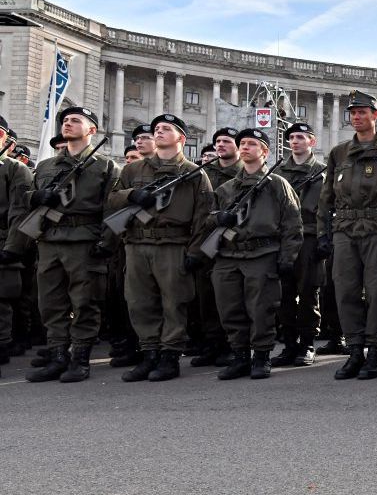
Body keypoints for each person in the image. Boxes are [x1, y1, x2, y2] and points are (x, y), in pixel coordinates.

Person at [108, 113, 213, 382]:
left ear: (181, 137)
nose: (158, 132)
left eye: (166, 129)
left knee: (173, 303)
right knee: (139, 302)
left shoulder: (194, 173)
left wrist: (195, 252)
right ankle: (149, 353)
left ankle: (169, 356)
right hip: (137, 243)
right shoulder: (133, 170)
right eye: (156, 129)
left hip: (173, 244)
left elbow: (203, 217)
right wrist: (132, 194)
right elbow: (112, 200)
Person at [317, 90, 377, 380]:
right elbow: (326, 198)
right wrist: (323, 233)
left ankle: (373, 353)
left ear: (375, 115)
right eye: (353, 113)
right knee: (345, 292)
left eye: (362, 112)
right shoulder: (338, 153)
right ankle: (355, 350)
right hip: (345, 231)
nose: (356, 117)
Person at [21, 107, 118, 383]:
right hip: (50, 239)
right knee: (50, 302)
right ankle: (58, 355)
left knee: (85, 301)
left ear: (91, 130)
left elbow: (110, 210)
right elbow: (24, 200)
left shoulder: (105, 167)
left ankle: (80, 359)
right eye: (65, 120)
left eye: (76, 121)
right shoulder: (46, 166)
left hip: (84, 240)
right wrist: (38, 196)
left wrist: (106, 242)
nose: (68, 124)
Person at [206, 128, 303, 379]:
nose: (245, 147)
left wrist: (287, 258)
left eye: (252, 144)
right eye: (243, 144)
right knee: (230, 309)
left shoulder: (278, 185)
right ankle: (239, 357)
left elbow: (292, 224)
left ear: (265, 151)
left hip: (262, 253)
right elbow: (207, 217)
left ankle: (261, 356)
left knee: (261, 309)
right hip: (228, 256)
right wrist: (219, 217)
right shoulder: (227, 188)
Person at [271, 122, 327, 367]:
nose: (295, 141)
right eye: (292, 137)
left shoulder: (323, 171)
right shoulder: (277, 171)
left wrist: (326, 238)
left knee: (308, 292)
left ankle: (307, 344)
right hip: (283, 238)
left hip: (310, 236)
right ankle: (289, 344)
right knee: (284, 293)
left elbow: (329, 208)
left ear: (311, 142)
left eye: (301, 137)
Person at [191, 127, 242, 368]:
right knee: (206, 297)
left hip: (233, 242)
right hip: (206, 240)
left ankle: (233, 346)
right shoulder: (203, 173)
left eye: (226, 141)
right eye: (217, 141)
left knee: (231, 298)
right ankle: (211, 344)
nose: (220, 145)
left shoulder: (245, 173)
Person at [0, 116, 33, 376]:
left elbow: (19, 212)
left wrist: (13, 246)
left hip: (2, 240)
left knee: (2, 300)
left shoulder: (14, 169)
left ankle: (3, 345)